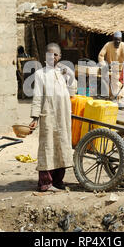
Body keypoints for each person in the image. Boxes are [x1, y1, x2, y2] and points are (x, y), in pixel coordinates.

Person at [29, 42, 77, 192]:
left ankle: (58, 181)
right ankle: (45, 182)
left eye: (55, 54)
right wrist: (35, 117)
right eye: (49, 54)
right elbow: (37, 96)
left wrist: (70, 75)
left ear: (60, 56)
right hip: (48, 116)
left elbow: (72, 93)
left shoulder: (63, 73)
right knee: (47, 147)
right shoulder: (40, 74)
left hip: (63, 116)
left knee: (62, 145)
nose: (52, 57)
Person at [97, 31, 124, 109]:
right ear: (113, 39)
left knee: (122, 83)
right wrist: (104, 65)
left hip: (120, 69)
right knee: (112, 83)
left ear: (121, 39)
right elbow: (101, 55)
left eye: (119, 40)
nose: (117, 41)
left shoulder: (123, 45)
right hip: (111, 69)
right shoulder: (108, 45)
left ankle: (119, 99)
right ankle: (117, 100)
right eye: (116, 39)